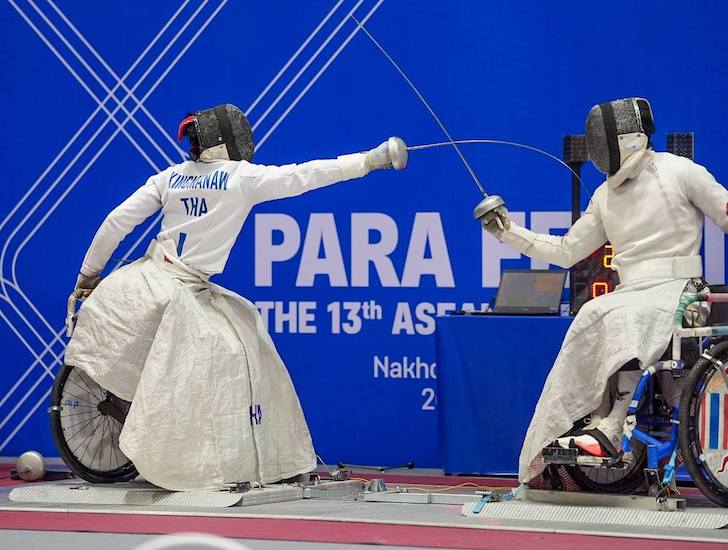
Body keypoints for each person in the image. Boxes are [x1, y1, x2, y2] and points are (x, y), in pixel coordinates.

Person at [64, 103, 407, 490]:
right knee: (233, 351)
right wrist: (371, 160)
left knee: (244, 328)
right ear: (226, 140)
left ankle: (259, 459)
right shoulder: (241, 178)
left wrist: (88, 275)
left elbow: (117, 221)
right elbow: (305, 175)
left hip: (150, 280)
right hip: (177, 292)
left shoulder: (170, 177)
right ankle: (204, 463)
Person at [479, 97, 728, 482]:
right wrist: (508, 232)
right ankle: (585, 423)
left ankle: (613, 425)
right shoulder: (604, 196)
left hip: (680, 290)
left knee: (626, 316)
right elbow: (567, 251)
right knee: (592, 313)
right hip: (631, 291)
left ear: (626, 138)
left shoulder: (679, 171)